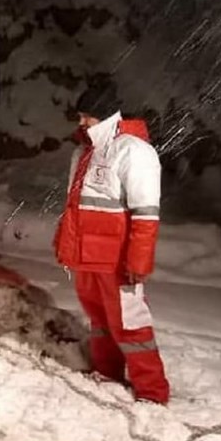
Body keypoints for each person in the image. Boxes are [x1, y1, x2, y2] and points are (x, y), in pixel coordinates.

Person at [53, 81, 170, 405]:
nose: (81, 122)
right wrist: (65, 244)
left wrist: (139, 260)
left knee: (131, 325)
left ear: (104, 115)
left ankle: (152, 393)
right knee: (100, 320)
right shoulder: (83, 152)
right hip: (87, 256)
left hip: (116, 259)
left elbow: (146, 214)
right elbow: (75, 207)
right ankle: (108, 373)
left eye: (86, 116)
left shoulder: (134, 151)